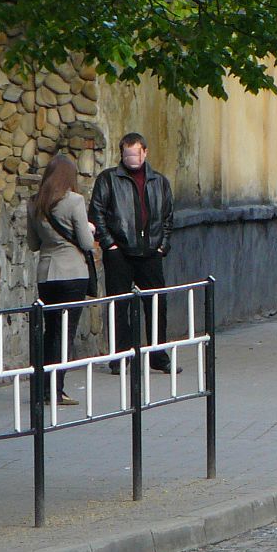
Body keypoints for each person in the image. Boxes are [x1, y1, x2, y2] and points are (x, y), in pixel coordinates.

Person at [89, 132, 179, 374]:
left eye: (135, 154)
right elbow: (96, 212)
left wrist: (163, 245)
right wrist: (110, 244)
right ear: (121, 154)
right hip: (120, 252)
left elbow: (168, 216)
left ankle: (158, 355)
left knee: (157, 304)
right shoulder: (108, 179)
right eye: (127, 155)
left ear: (145, 152)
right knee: (119, 305)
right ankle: (120, 357)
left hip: (150, 252)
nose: (131, 159)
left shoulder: (159, 181)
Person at [26, 154, 96, 405]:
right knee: (65, 334)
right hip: (72, 274)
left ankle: (41, 388)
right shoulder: (74, 201)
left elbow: (33, 244)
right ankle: (57, 390)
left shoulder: (34, 203)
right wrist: (90, 229)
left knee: (49, 331)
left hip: (46, 274)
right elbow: (87, 243)